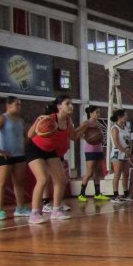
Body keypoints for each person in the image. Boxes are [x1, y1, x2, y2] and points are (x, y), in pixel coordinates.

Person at [26, 95, 87, 224]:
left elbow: (73, 136)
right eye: (67, 103)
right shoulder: (49, 118)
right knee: (43, 179)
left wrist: (85, 125)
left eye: (71, 103)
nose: (71, 106)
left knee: (61, 180)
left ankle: (56, 210)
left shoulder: (68, 121)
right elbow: (30, 135)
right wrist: (38, 124)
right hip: (35, 149)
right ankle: (35, 213)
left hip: (50, 150)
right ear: (59, 106)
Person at [0, 96, 30, 220]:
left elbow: (24, 137)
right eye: (17, 104)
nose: (19, 107)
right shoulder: (2, 118)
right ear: (9, 105)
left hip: (20, 155)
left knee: (19, 183)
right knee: (2, 183)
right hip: (5, 155)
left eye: (20, 104)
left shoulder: (20, 120)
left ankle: (20, 208)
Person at [77, 106, 109, 202]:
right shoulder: (86, 123)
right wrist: (87, 138)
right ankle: (81, 194)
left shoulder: (98, 123)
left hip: (99, 149)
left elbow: (100, 136)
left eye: (99, 112)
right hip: (90, 150)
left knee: (98, 172)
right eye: (97, 112)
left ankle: (97, 193)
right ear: (91, 113)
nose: (98, 114)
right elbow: (78, 133)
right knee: (89, 172)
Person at [110, 109, 133, 203]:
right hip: (117, 154)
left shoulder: (125, 127)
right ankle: (115, 195)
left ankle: (126, 193)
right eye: (125, 115)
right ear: (119, 117)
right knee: (117, 174)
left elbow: (130, 140)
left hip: (126, 154)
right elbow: (116, 143)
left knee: (126, 174)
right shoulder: (115, 128)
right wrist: (124, 151)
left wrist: (130, 150)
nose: (126, 117)